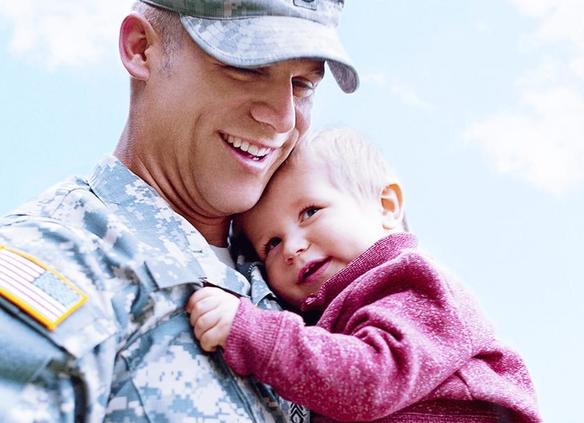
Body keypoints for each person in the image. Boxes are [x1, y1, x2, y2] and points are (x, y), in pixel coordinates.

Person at [0, 1, 357, 421]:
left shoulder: (299, 272)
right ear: (141, 49)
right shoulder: (61, 258)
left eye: (302, 85)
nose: (281, 119)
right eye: (248, 67)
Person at [187, 128, 541, 422]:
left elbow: (370, 379)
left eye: (310, 212)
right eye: (272, 244)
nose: (292, 247)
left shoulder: (412, 282)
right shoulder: (323, 318)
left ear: (385, 207)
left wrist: (251, 331)